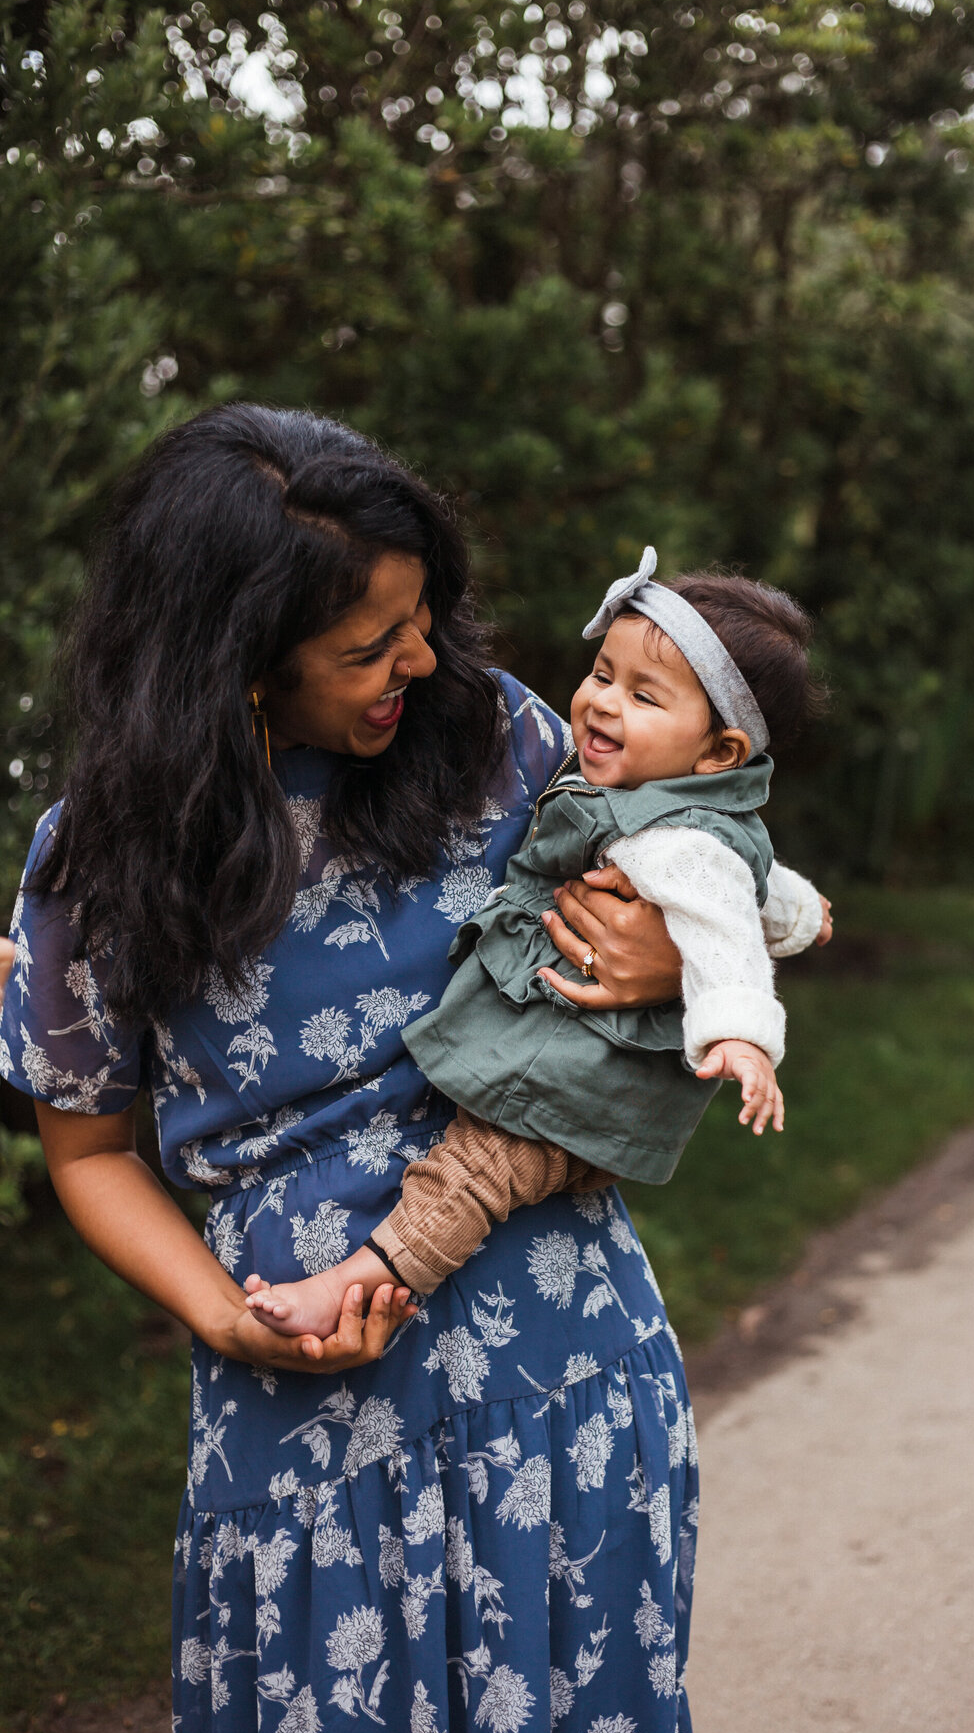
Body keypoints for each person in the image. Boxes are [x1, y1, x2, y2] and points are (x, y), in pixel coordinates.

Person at [0, 405, 725, 1733]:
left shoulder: (500, 742)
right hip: (309, 1418)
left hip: (562, 1380)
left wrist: (671, 954)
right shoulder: (98, 860)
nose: (420, 661)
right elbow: (86, 1149)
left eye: (424, 618)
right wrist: (221, 1317)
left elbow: (703, 901)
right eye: (365, 647)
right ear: (236, 668)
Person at [245, 547, 830, 1341]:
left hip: (568, 1073)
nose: (600, 704)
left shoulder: (673, 838)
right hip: (596, 1084)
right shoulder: (666, 802)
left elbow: (722, 920)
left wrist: (740, 1035)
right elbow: (752, 889)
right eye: (602, 673)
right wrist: (804, 919)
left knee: (468, 1179)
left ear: (719, 752)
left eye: (643, 695)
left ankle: (356, 1282)